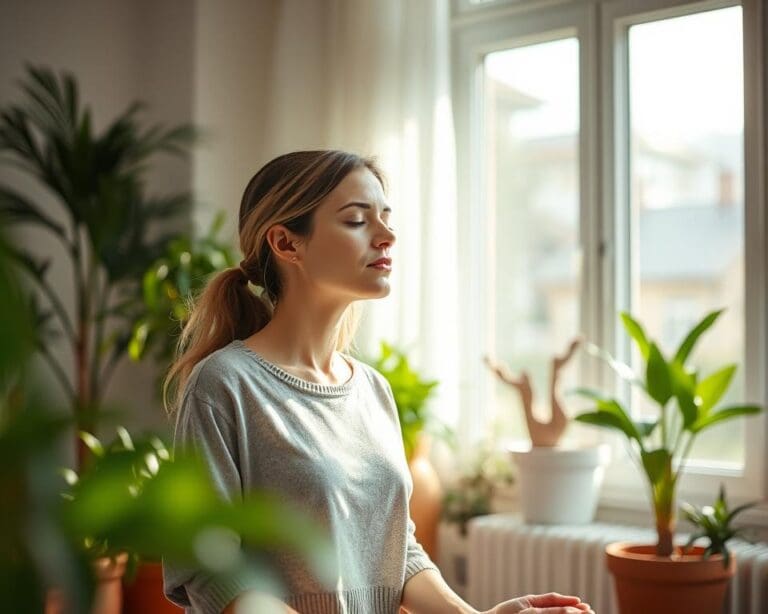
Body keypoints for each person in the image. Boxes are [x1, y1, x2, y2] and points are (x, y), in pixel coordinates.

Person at [161, 150, 594, 614]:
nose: (387, 235)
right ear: (287, 244)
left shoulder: (372, 390)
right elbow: (210, 570)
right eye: (356, 221)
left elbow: (396, 551)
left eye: (386, 218)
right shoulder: (224, 385)